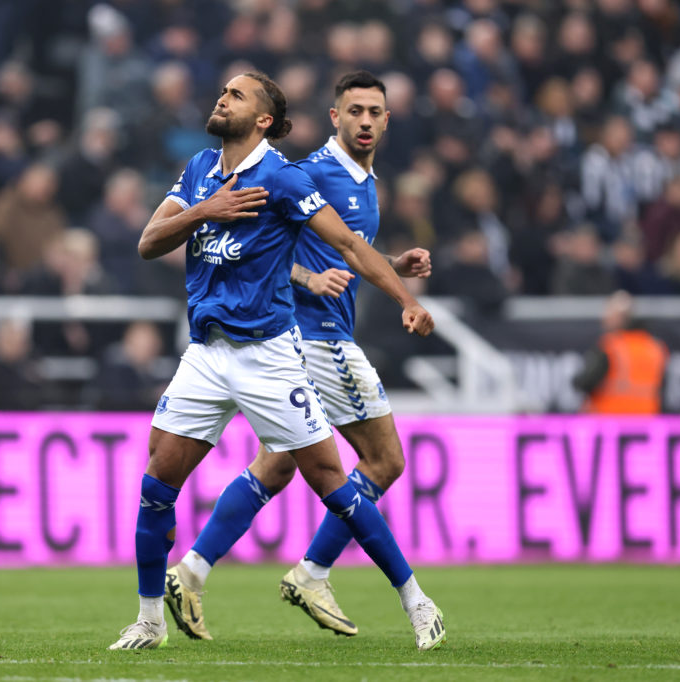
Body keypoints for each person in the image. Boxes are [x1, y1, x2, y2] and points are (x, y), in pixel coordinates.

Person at [109, 72, 445, 652]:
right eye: (222, 91)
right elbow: (148, 241)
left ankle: (416, 601)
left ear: (264, 119)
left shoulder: (284, 177)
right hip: (207, 353)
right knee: (157, 481)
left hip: (269, 355)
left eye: (237, 95)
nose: (222, 98)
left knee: (331, 481)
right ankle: (148, 621)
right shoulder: (198, 170)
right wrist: (204, 210)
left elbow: (346, 245)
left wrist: (405, 299)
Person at [572, 290, 668, 414]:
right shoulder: (654, 347)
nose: (604, 317)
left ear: (619, 318)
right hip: (645, 424)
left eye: (608, 313)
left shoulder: (611, 347)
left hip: (611, 422)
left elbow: (586, 382)